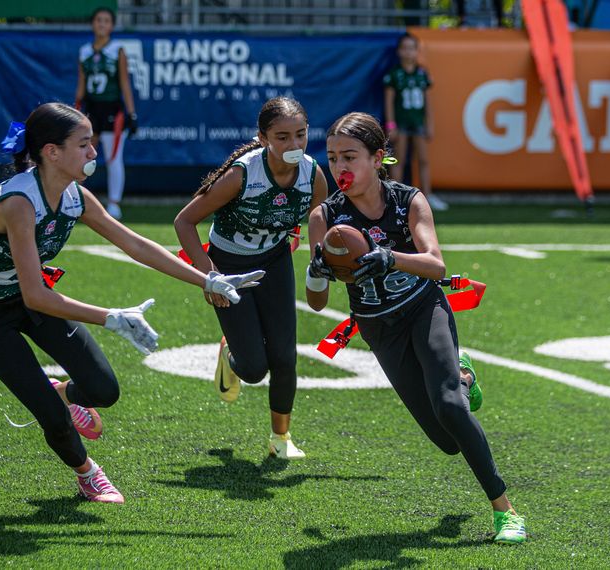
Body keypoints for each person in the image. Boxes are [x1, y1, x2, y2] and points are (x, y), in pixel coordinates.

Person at [0, 102, 263, 504]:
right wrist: (111, 318)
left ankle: (60, 392)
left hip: (30, 297)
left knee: (103, 390)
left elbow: (134, 244)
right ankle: (88, 474)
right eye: (84, 144)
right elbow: (35, 294)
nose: (94, 153)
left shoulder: (74, 196)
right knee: (52, 418)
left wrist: (208, 278)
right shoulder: (19, 203)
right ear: (52, 152)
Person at [305, 112, 526, 544]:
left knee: (450, 408)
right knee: (446, 441)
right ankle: (462, 377)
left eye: (350, 156)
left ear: (378, 157)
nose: (340, 168)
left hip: (425, 308)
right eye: (332, 159)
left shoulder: (408, 200)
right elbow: (316, 304)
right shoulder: (325, 217)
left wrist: (391, 257)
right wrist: (318, 272)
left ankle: (505, 510)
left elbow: (436, 264)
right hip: (378, 328)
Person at [174, 96, 329, 459]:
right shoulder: (241, 174)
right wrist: (208, 275)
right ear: (262, 138)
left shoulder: (312, 173)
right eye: (282, 137)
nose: (294, 145)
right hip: (228, 266)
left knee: (285, 356)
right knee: (255, 369)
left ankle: (281, 438)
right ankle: (231, 355)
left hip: (275, 262)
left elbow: (319, 217)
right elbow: (184, 221)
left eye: (301, 135)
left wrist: (321, 253)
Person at [74, 6, 137, 220]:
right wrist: (76, 109)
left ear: (111, 25)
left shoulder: (117, 49)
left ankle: (114, 203)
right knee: (81, 155)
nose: (101, 24)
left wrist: (131, 113)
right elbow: (81, 85)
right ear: (93, 24)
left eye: (106, 20)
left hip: (112, 110)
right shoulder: (84, 51)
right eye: (98, 20)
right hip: (91, 110)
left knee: (113, 157)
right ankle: (71, 197)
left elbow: (124, 83)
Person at [383, 33, 448, 212]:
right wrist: (391, 125)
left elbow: (427, 102)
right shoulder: (394, 74)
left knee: (423, 159)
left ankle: (428, 195)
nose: (408, 52)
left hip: (418, 122)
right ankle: (394, 197)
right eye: (404, 48)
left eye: (412, 48)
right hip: (401, 123)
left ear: (417, 51)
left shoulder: (422, 74)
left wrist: (430, 124)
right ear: (398, 51)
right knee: (399, 160)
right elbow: (388, 101)